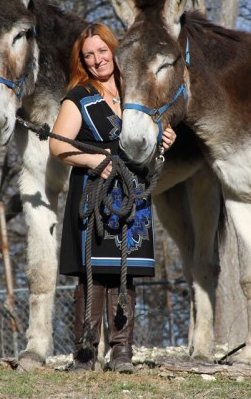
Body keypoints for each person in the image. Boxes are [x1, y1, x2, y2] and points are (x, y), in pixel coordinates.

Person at [49, 23, 176, 373]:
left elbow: (157, 128)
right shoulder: (79, 97)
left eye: (101, 51)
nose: (96, 60)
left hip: (131, 188)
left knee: (126, 272)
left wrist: (165, 137)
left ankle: (121, 353)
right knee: (93, 273)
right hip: (93, 189)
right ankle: (86, 354)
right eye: (88, 55)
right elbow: (58, 144)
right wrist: (92, 159)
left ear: (114, 50)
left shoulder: (135, 88)